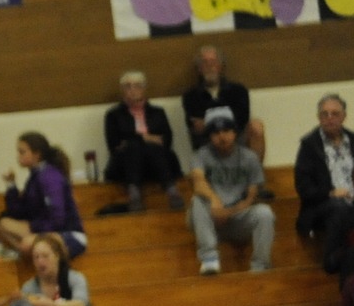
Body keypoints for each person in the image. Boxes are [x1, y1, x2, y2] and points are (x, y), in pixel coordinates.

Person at [188, 113, 274, 275]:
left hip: (237, 217)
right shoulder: (201, 155)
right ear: (210, 137)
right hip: (209, 220)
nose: (222, 137)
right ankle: (209, 258)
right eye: (216, 133)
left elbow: (252, 196)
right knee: (198, 200)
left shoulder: (249, 157)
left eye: (227, 131)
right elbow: (198, 181)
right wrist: (214, 200)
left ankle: (260, 267)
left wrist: (229, 212)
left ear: (235, 133)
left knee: (265, 213)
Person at [99, 70, 186, 214]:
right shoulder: (113, 115)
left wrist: (134, 138)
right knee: (134, 147)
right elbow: (114, 144)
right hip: (126, 164)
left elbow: (167, 140)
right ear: (122, 91)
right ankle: (134, 193)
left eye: (137, 86)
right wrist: (145, 138)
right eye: (128, 86)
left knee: (149, 147)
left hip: (156, 162)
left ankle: (171, 191)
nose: (132, 90)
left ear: (144, 89)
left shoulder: (158, 112)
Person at [294, 91, 354, 239]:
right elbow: (304, 187)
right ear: (318, 118)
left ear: (344, 116)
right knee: (341, 208)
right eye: (324, 114)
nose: (329, 118)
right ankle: (341, 258)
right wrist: (330, 193)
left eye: (335, 114)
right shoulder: (309, 146)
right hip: (323, 206)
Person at [0, 132, 86, 260]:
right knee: (4, 225)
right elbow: (18, 212)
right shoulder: (34, 177)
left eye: (22, 152)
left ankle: (31, 256)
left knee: (27, 244)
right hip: (46, 230)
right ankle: (30, 257)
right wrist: (11, 186)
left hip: (68, 234)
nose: (18, 156)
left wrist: (34, 227)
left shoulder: (49, 176)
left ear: (37, 154)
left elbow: (57, 218)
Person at [180, 44, 265, 162]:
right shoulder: (190, 95)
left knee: (256, 126)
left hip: (236, 136)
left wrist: (212, 120)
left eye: (213, 61)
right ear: (199, 68)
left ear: (220, 66)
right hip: (208, 139)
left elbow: (242, 118)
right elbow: (195, 126)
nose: (210, 66)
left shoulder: (238, 90)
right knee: (215, 135)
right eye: (205, 62)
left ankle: (255, 174)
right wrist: (226, 118)